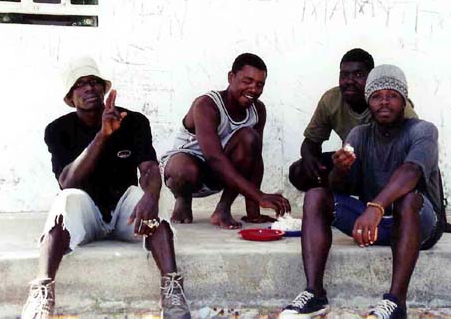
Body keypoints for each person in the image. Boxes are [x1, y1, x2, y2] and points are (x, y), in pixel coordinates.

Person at [21, 57, 190, 319]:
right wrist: (103, 135)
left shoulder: (133, 121)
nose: (89, 88)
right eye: (80, 84)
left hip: (127, 215)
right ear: (70, 97)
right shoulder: (58, 130)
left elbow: (148, 168)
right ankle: (42, 291)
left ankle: (172, 291)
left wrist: (151, 196)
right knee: (64, 201)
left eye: (94, 82)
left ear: (104, 89)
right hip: (86, 215)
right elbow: (67, 181)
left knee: (152, 199)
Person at [280, 65, 445, 319]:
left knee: (407, 199)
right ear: (369, 102)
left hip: (418, 224)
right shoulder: (359, 134)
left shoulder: (422, 130)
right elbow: (337, 187)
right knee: (316, 195)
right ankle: (314, 294)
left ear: (404, 101)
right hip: (374, 225)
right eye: (377, 96)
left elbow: (410, 172)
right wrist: (340, 170)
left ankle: (395, 303)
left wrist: (375, 207)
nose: (384, 102)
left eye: (392, 95)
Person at [161, 53, 290, 229]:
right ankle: (183, 199)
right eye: (247, 81)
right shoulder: (206, 105)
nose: (254, 89)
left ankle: (223, 209)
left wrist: (254, 213)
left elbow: (255, 158)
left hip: (222, 175)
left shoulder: (258, 110)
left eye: (260, 85)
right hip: (187, 171)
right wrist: (260, 196)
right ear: (231, 77)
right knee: (183, 169)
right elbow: (214, 158)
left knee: (249, 138)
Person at [289, 49, 417, 192]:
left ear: (371, 78)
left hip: (385, 167)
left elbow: (416, 151)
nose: (349, 81)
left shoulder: (392, 105)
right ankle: (332, 203)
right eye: (344, 75)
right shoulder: (331, 99)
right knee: (298, 171)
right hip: (349, 163)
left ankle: (381, 205)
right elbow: (310, 142)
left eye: (358, 75)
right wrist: (310, 160)